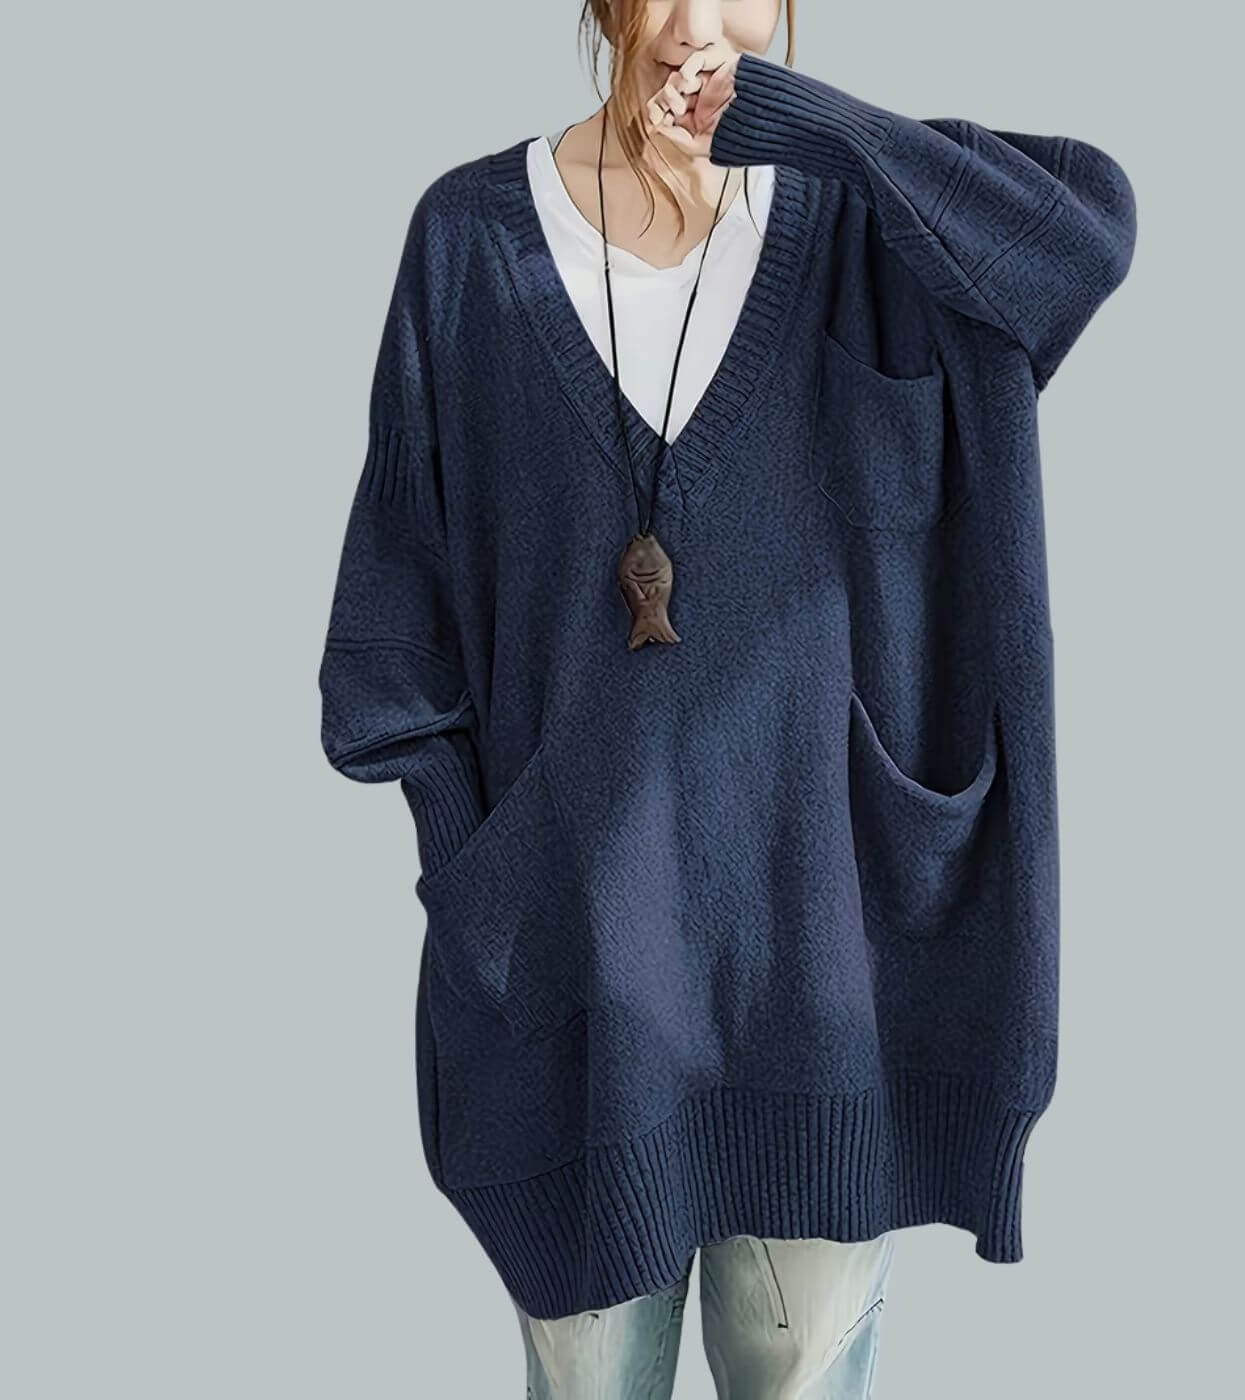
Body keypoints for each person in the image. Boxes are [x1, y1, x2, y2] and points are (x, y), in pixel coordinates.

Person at [316, 2, 1136, 1395]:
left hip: (832, 985)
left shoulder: (875, 223)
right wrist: (484, 876)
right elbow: (391, 627)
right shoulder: (470, 241)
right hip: (574, 993)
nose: (697, 27)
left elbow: (1080, 239)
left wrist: (815, 131)